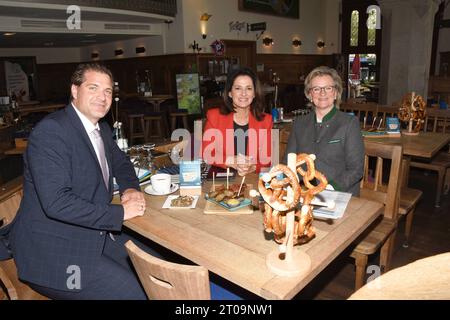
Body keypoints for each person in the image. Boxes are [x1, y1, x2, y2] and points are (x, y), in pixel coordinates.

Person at [9, 63, 149, 299]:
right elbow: (57, 203)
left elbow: (121, 163)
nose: (102, 97)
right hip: (54, 251)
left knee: (155, 267)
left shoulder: (100, 128)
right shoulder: (51, 132)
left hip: (91, 233)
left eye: (107, 91)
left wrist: (131, 188)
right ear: (75, 90)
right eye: (93, 88)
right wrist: (119, 213)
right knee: (133, 292)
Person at [285, 66, 364, 196]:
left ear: (336, 93)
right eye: (316, 89)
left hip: (339, 193)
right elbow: (289, 163)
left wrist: (330, 188)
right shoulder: (299, 123)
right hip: (305, 194)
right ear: (310, 94)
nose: (322, 93)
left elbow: (356, 169)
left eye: (328, 88)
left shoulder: (349, 123)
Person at [202, 67, 273, 175]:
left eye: (249, 88)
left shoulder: (265, 120)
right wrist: (231, 161)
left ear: (254, 93)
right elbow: (206, 154)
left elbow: (266, 161)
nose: (243, 93)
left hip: (251, 179)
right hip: (222, 181)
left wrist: (252, 167)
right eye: (238, 88)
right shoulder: (214, 116)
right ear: (230, 93)